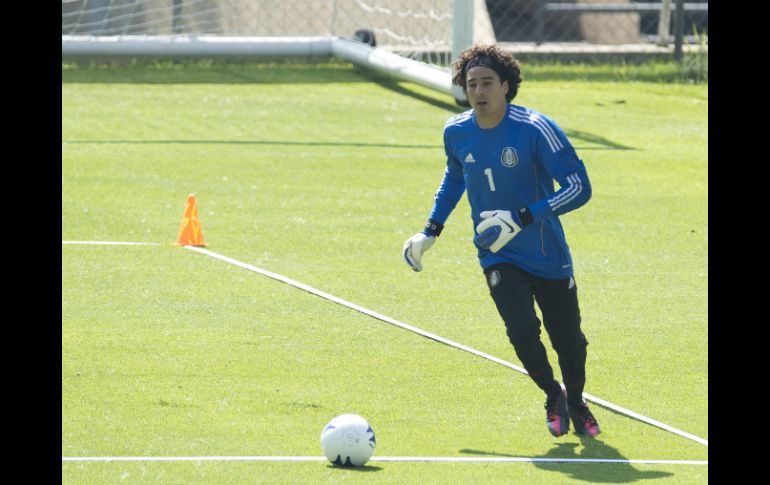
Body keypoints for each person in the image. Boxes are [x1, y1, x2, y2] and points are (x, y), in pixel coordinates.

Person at [402, 44, 600, 438]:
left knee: (569, 341)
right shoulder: (456, 132)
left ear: (506, 86)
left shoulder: (536, 129)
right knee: (521, 331)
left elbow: (579, 188)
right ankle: (552, 394)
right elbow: (455, 178)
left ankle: (576, 401)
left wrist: (521, 217)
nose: (479, 91)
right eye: (471, 84)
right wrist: (430, 230)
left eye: (487, 82)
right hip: (497, 253)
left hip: (546, 252)